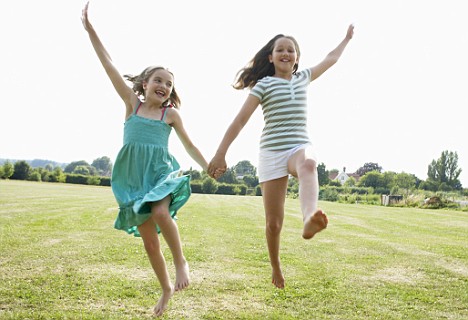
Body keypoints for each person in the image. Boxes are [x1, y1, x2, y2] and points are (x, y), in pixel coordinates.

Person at [82, 2, 213, 316]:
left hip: (160, 175)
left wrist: (209, 165)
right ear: (144, 84)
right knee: (149, 242)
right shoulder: (133, 106)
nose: (164, 86)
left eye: (169, 84)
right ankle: (166, 289)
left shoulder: (171, 115)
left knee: (161, 211)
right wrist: (91, 31)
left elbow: (191, 146)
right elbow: (109, 65)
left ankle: (182, 262)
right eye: (158, 80)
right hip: (132, 179)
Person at [208, 25, 354, 289]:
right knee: (273, 224)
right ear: (271, 58)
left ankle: (310, 217)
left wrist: (345, 39)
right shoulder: (263, 85)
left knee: (309, 164)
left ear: (297, 58)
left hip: (298, 145)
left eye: (291, 50)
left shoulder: (304, 77)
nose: (286, 53)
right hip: (272, 152)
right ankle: (275, 265)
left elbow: (330, 59)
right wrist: (220, 153)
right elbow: (240, 120)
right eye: (280, 50)